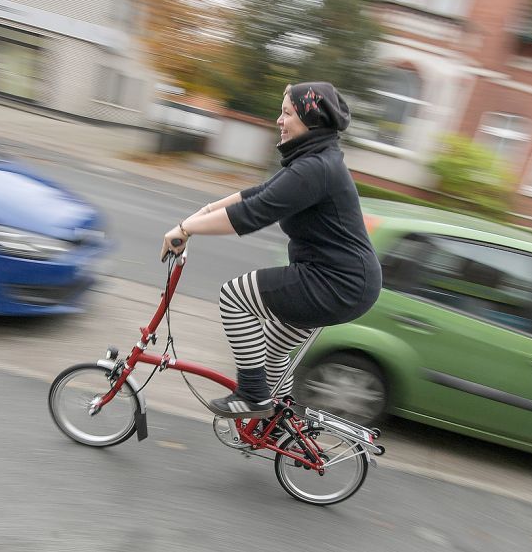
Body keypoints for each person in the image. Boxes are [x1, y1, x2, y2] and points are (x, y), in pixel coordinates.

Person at [160, 82, 382, 419]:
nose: (279, 120)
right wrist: (201, 213)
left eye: (287, 113)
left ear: (312, 120)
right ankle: (279, 420)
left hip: (337, 283)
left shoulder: (316, 168)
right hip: (342, 281)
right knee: (274, 344)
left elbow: (252, 215)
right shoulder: (315, 160)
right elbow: (258, 194)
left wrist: (186, 229)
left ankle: (253, 396)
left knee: (235, 296)